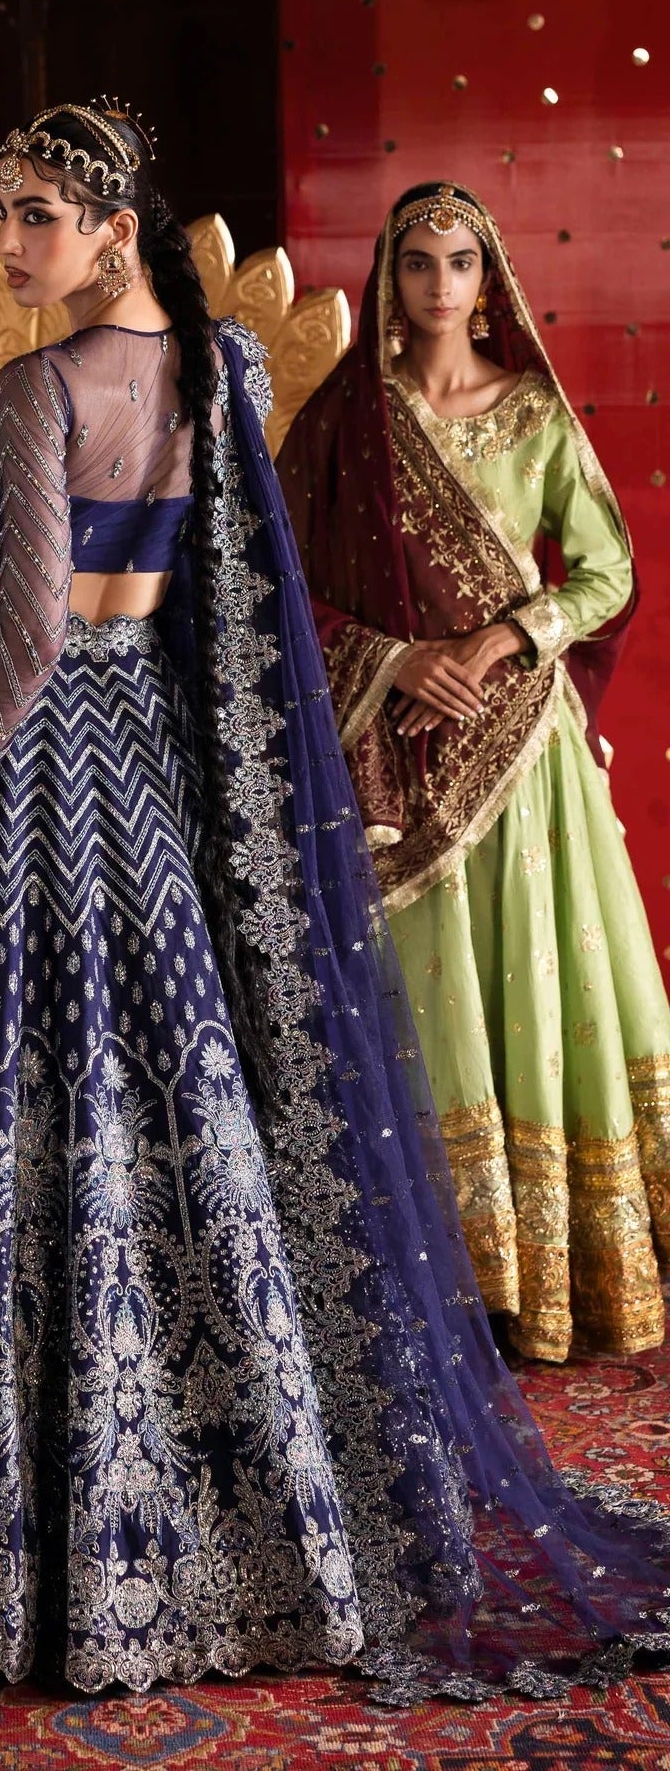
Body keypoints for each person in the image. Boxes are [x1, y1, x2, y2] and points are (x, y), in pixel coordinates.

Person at [0, 115, 670, 1701]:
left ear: (115, 229)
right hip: (164, 766)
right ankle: (235, 1499)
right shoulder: (227, 372)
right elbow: (221, 611)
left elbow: (27, 639)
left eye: (36, 217)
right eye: (3, 213)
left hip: (29, 761)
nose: (9, 244)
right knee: (170, 1091)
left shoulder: (41, 390)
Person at [277, 183, 669, 1366]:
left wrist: (503, 639)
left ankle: (548, 1272)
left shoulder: (535, 413)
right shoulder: (349, 420)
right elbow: (276, 585)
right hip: (395, 761)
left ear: (488, 280)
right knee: (424, 999)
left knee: (535, 988)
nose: (439, 284)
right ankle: (435, 1276)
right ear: (387, 276)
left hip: (524, 757)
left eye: (459, 262)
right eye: (417, 261)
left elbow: (608, 573)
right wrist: (396, 659)